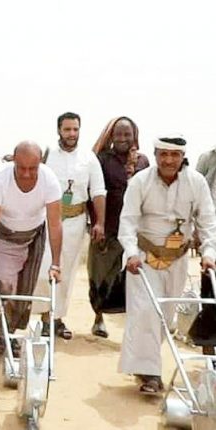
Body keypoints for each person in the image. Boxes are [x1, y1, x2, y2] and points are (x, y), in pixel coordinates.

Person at [118, 134, 216, 394]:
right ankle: (150, 373)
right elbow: (127, 221)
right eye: (163, 154)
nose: (169, 160)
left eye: (174, 155)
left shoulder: (196, 183)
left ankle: (145, 363)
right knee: (147, 312)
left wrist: (209, 253)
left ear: (183, 157)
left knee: (165, 315)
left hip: (178, 260)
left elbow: (208, 222)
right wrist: (131, 253)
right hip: (144, 259)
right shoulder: (141, 181)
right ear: (156, 155)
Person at [0, 141, 62, 356]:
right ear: (13, 161)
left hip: (34, 235)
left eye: (33, 168)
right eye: (22, 168)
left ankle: (9, 335)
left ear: (41, 163)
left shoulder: (49, 180)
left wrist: (56, 263)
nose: (27, 174)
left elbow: (55, 223)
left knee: (25, 289)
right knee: (3, 284)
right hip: (4, 235)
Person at [33, 112, 106, 339]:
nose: (71, 134)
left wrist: (100, 223)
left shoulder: (89, 158)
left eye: (75, 129)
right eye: (67, 129)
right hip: (48, 220)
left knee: (66, 272)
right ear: (59, 130)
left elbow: (98, 191)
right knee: (44, 270)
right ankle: (43, 316)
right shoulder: (47, 155)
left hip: (75, 222)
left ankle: (55, 319)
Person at [87, 117, 149, 337]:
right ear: (111, 136)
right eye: (118, 134)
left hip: (135, 229)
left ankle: (131, 322)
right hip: (108, 226)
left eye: (127, 134)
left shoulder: (143, 162)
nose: (122, 139)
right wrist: (97, 223)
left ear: (134, 136)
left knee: (132, 276)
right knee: (100, 274)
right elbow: (94, 193)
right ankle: (98, 318)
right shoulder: (101, 160)